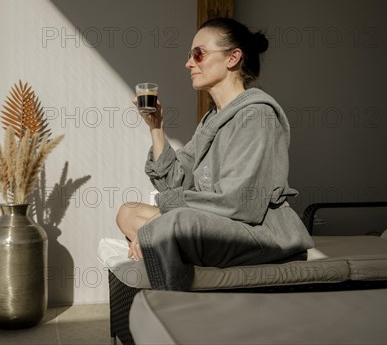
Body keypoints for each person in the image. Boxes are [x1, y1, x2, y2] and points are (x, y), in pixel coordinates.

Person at [116, 17, 313, 290]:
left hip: (260, 232)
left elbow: (241, 203)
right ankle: (163, 241)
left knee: (174, 223)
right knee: (128, 212)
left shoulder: (257, 115)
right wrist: (156, 127)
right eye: (189, 55)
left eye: (199, 54)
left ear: (233, 58)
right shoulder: (212, 119)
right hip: (221, 223)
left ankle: (173, 302)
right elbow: (174, 181)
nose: (189, 63)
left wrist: (164, 216)